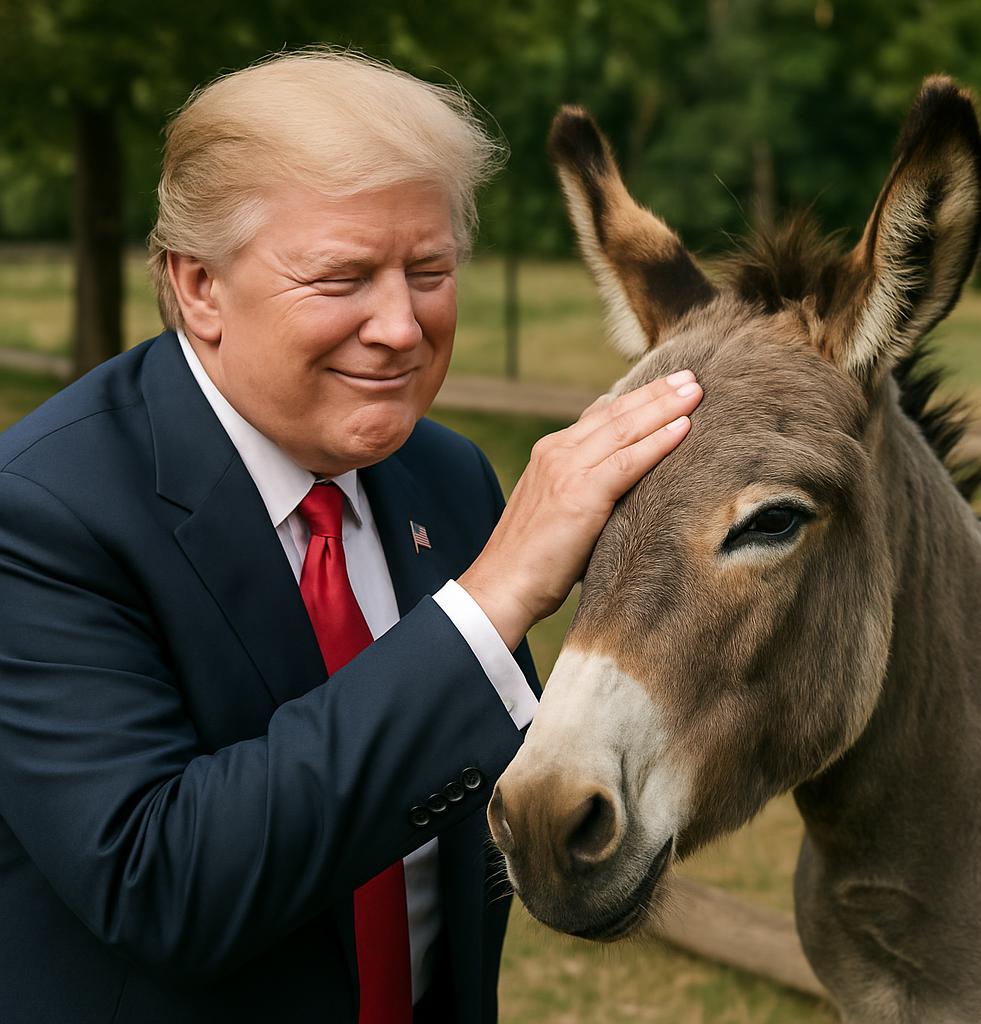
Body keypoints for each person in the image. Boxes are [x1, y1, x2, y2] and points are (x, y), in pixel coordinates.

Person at [0, 49, 703, 1024]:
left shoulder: (448, 476)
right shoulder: (42, 512)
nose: (400, 327)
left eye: (429, 271)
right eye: (342, 277)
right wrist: (487, 603)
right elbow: (161, 883)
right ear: (199, 286)